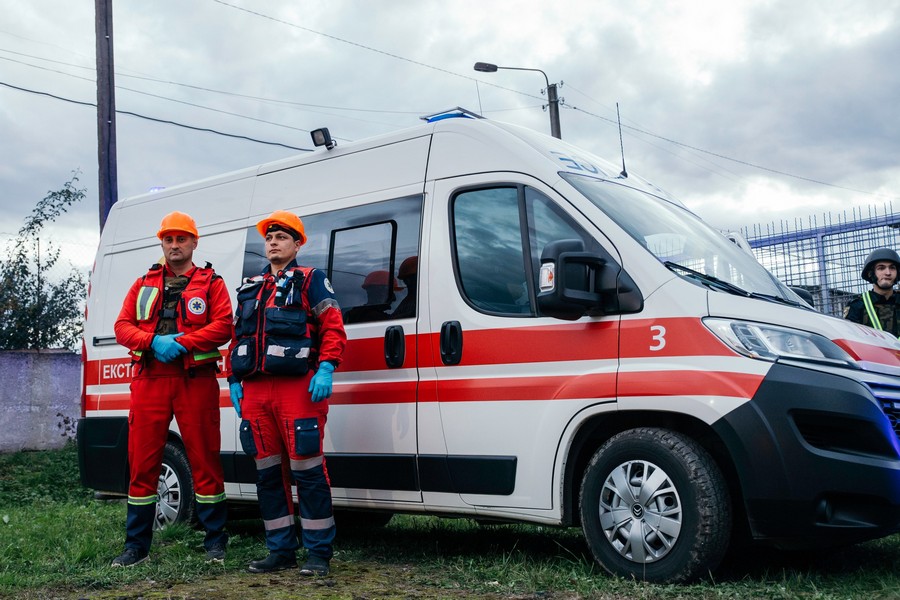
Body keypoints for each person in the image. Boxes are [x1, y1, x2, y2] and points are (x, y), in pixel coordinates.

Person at [227, 210, 346, 576]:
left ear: (297, 244)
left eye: (282, 236)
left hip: (298, 388)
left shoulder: (312, 279)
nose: (273, 242)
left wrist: (326, 366)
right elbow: (238, 337)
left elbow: (333, 327)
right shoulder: (250, 286)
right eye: (269, 237)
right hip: (256, 392)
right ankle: (280, 550)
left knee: (307, 470)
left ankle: (318, 554)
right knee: (266, 473)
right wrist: (232, 378)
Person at [111, 211, 232, 567]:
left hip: (194, 380)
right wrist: (153, 342)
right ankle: (136, 546)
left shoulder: (211, 282)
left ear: (195, 242)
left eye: (181, 239)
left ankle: (215, 543)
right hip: (150, 378)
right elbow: (122, 326)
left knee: (205, 460)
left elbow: (224, 324)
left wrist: (186, 342)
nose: (175, 245)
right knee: (143, 465)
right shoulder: (142, 283)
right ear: (161, 243)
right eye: (169, 239)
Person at [844, 248, 900, 336]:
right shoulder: (858, 305)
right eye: (881, 268)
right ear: (871, 273)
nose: (888, 273)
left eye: (892, 268)